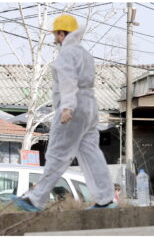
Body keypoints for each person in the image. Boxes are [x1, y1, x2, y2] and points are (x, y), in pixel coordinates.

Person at [15, 14, 116, 212]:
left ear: (62, 34)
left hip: (73, 107)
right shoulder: (85, 54)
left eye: (56, 34)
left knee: (57, 154)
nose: (55, 38)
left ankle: (36, 200)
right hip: (89, 107)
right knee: (92, 155)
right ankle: (105, 199)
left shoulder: (67, 54)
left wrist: (68, 107)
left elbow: (69, 80)